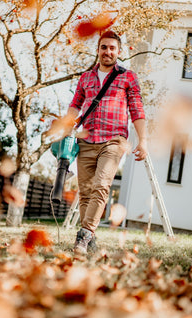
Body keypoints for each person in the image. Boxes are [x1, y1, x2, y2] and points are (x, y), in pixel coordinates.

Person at [66, 30, 148, 255]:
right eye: (104, 47)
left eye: (112, 48)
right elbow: (75, 105)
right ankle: (90, 240)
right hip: (86, 140)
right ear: (98, 50)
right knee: (85, 192)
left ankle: (82, 237)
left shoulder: (127, 77)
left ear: (119, 52)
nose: (108, 51)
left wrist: (143, 140)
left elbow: (137, 109)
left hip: (114, 140)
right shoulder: (85, 78)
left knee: (101, 185)